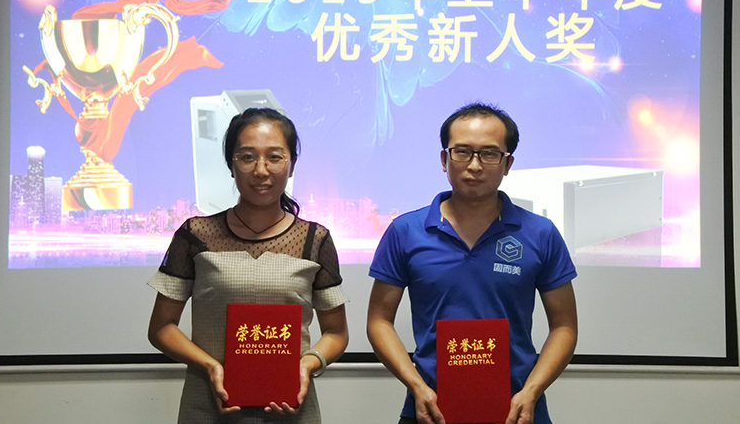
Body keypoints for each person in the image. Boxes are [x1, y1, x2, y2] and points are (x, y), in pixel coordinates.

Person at [367, 102, 577, 424]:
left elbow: (564, 327)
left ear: (507, 164)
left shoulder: (540, 233)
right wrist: (416, 386)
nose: (475, 165)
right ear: (444, 159)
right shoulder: (405, 232)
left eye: (490, 154)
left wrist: (532, 390)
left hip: (517, 411)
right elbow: (379, 321)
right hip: (430, 410)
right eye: (462, 152)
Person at [148, 107, 349, 423]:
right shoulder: (196, 234)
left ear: (292, 165)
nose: (261, 170)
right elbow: (161, 327)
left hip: (292, 409)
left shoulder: (315, 239)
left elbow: (336, 332)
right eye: (247, 157)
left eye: (274, 157)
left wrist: (306, 365)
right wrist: (210, 366)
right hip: (207, 408)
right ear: (231, 165)